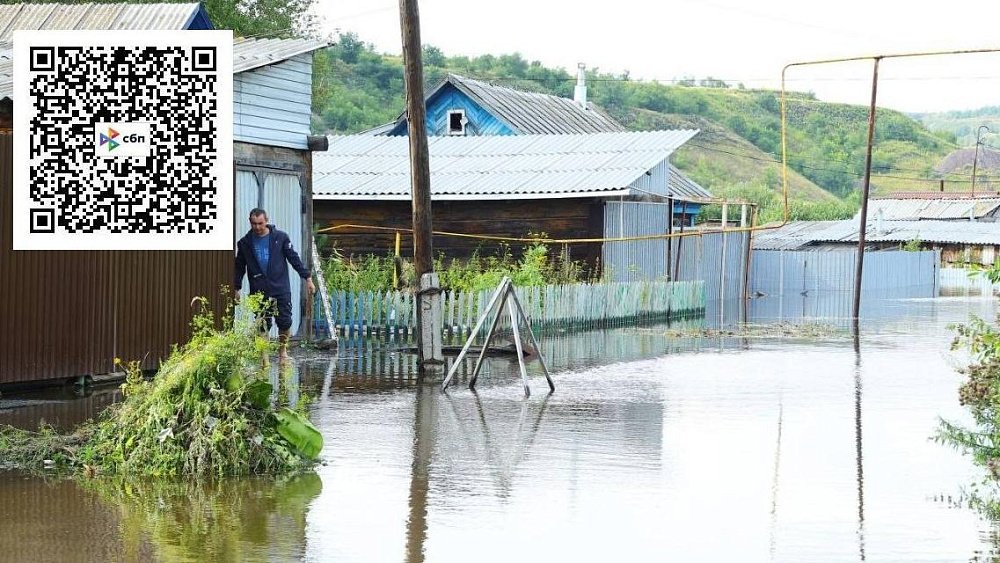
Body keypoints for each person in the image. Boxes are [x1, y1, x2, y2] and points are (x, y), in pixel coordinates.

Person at [235, 208, 315, 360]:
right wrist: (236, 288)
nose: (257, 227)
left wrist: (307, 278)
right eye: (254, 224)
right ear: (250, 222)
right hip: (259, 289)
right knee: (262, 324)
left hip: (280, 288)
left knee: (285, 322)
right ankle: (264, 358)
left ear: (266, 221)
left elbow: (294, 258)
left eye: (260, 223)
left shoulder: (280, 238)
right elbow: (239, 267)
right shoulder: (244, 243)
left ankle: (282, 352)